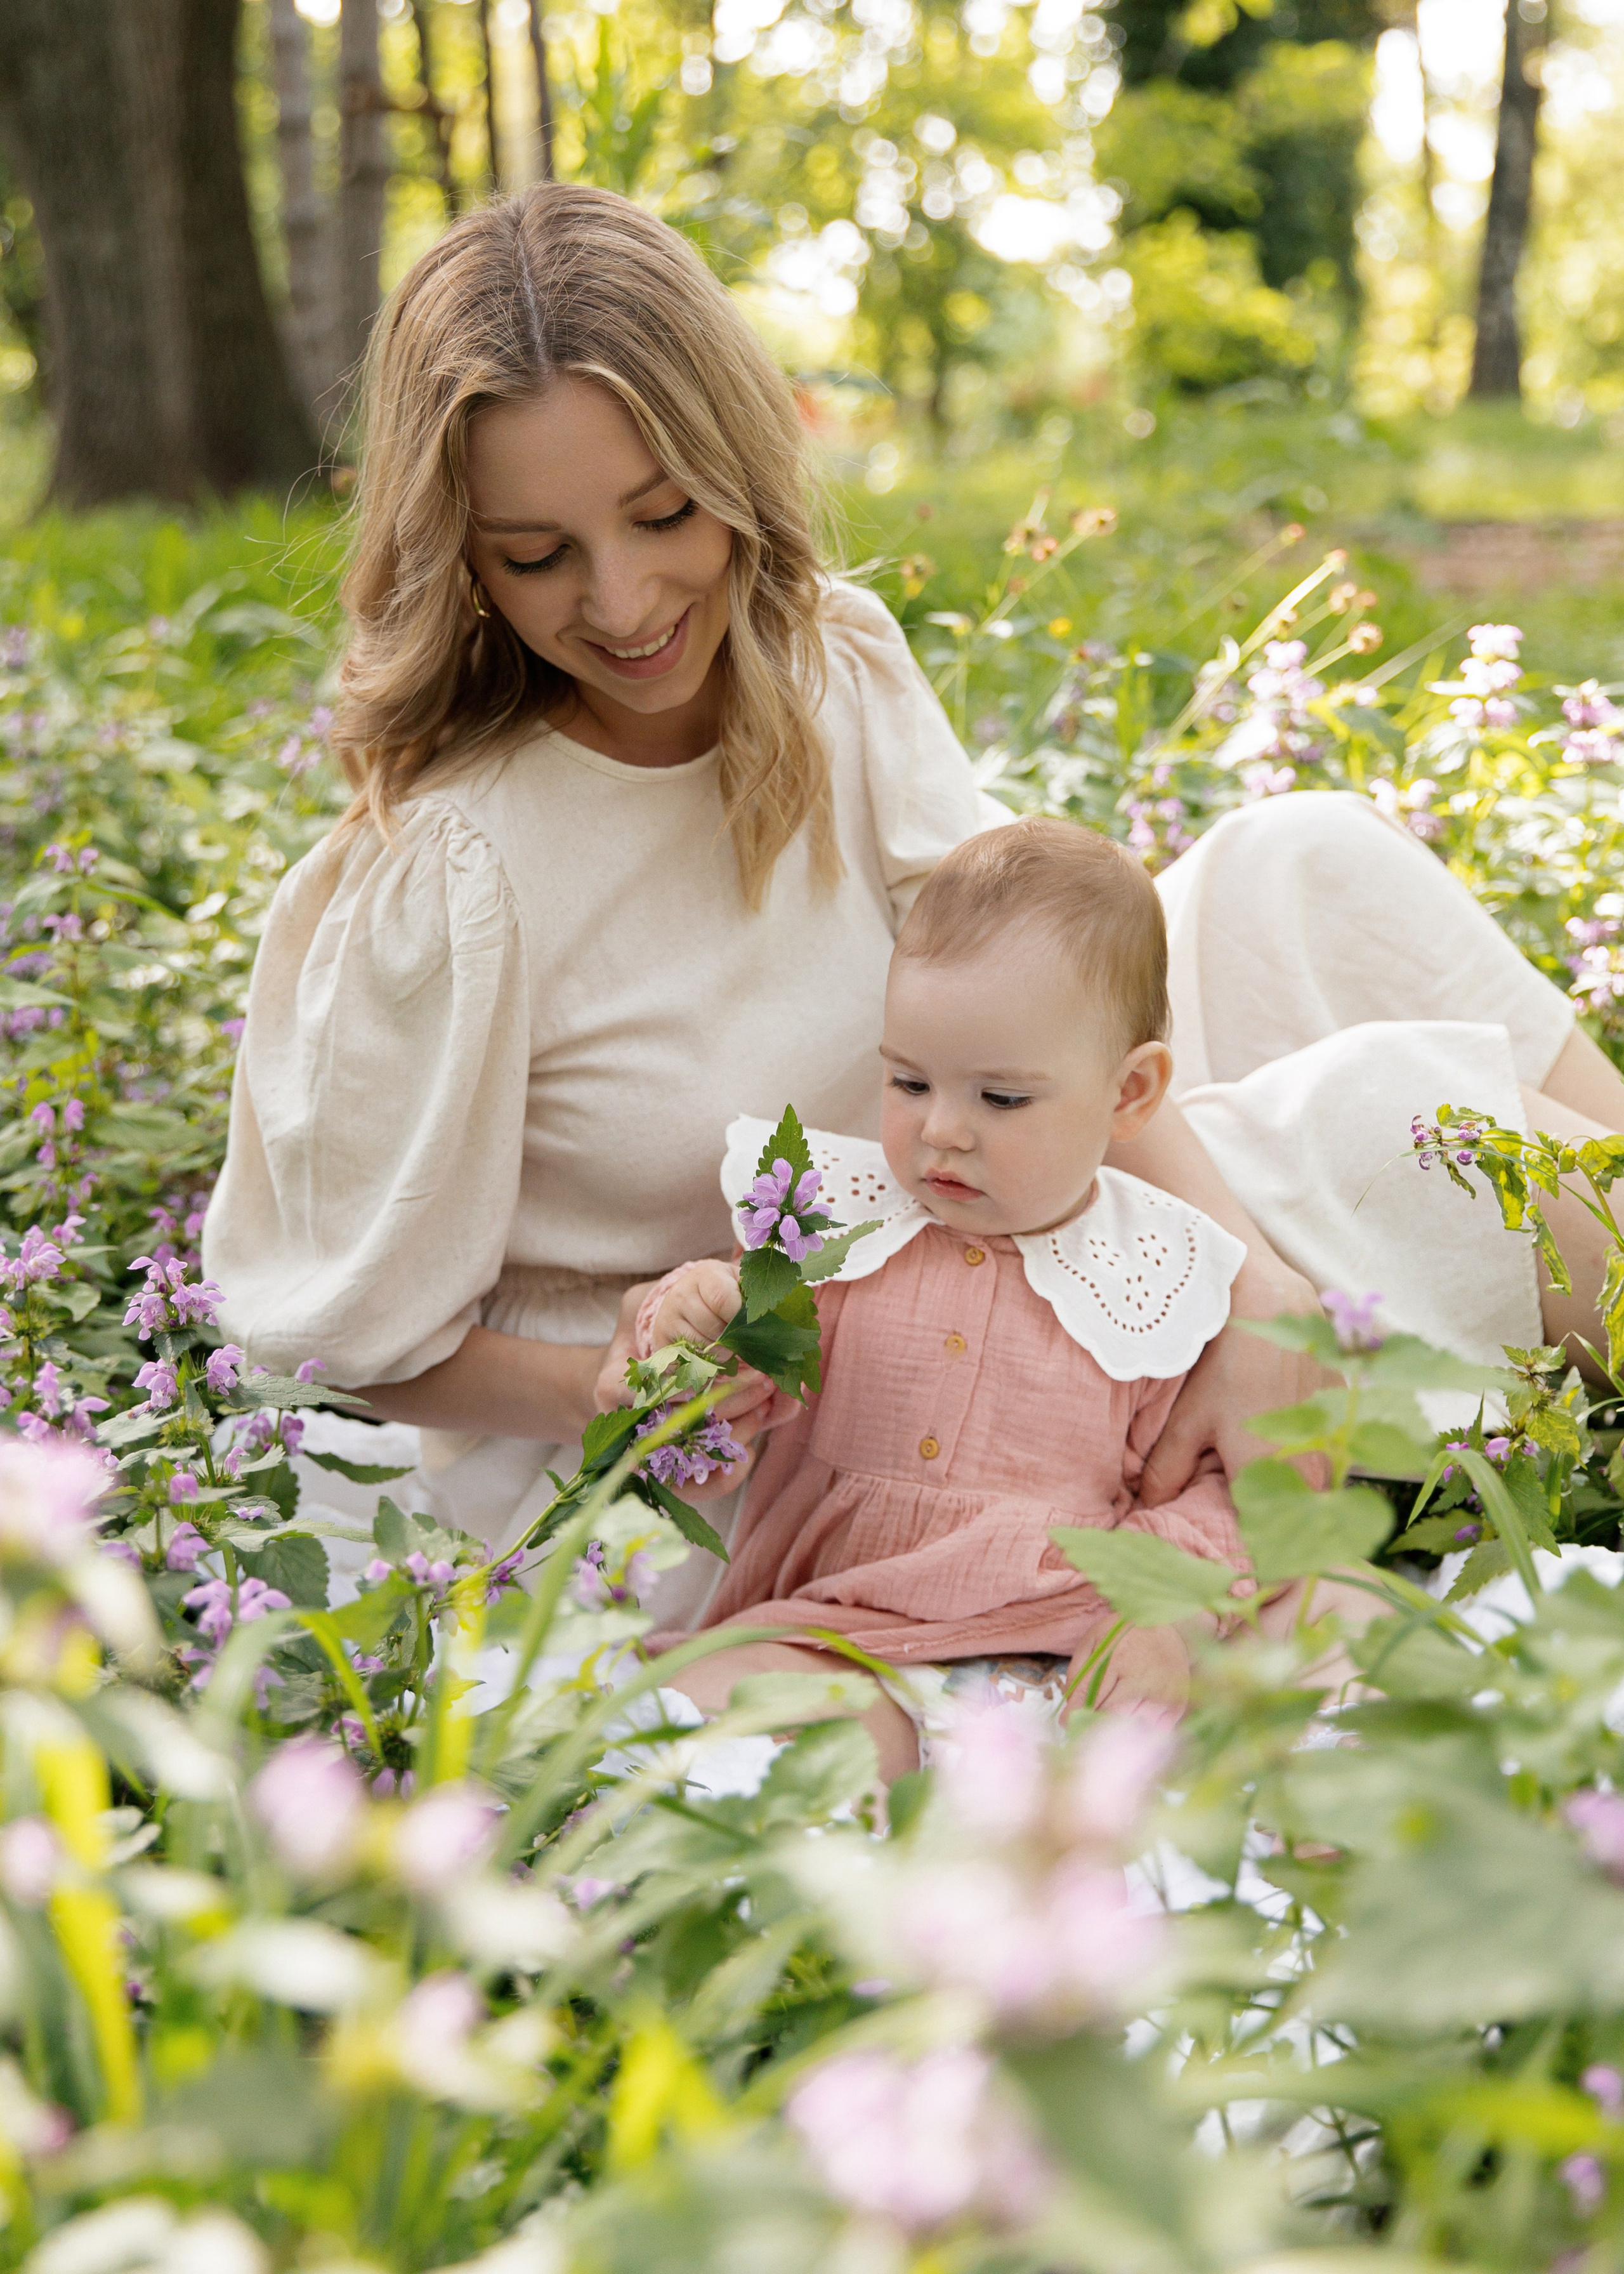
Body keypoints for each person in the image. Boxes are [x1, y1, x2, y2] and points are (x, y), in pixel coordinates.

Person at [203, 178, 1624, 1620]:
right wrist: (614, 1383)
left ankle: (1380, 1321)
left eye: (661, 513)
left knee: (1303, 864)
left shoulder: (825, 669)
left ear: (736, 465)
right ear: (459, 556)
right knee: (1389, 1126)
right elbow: (343, 1335)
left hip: (984, 1152)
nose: (624, 603)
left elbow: (1033, 991)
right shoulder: (455, 870)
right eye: (538, 555)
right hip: (804, 1388)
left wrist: (1241, 1292)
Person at [634, 820, 1367, 1777]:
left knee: (1352, 1621)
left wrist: (1169, 1612)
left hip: (1081, 1643)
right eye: (908, 1081)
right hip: (843, 1637)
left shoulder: (1163, 1271)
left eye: (1002, 1100)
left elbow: (1236, 1491)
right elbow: (706, 1460)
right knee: (718, 1736)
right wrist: (698, 1332)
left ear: (1130, 1094)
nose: (942, 1130)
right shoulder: (830, 1229)